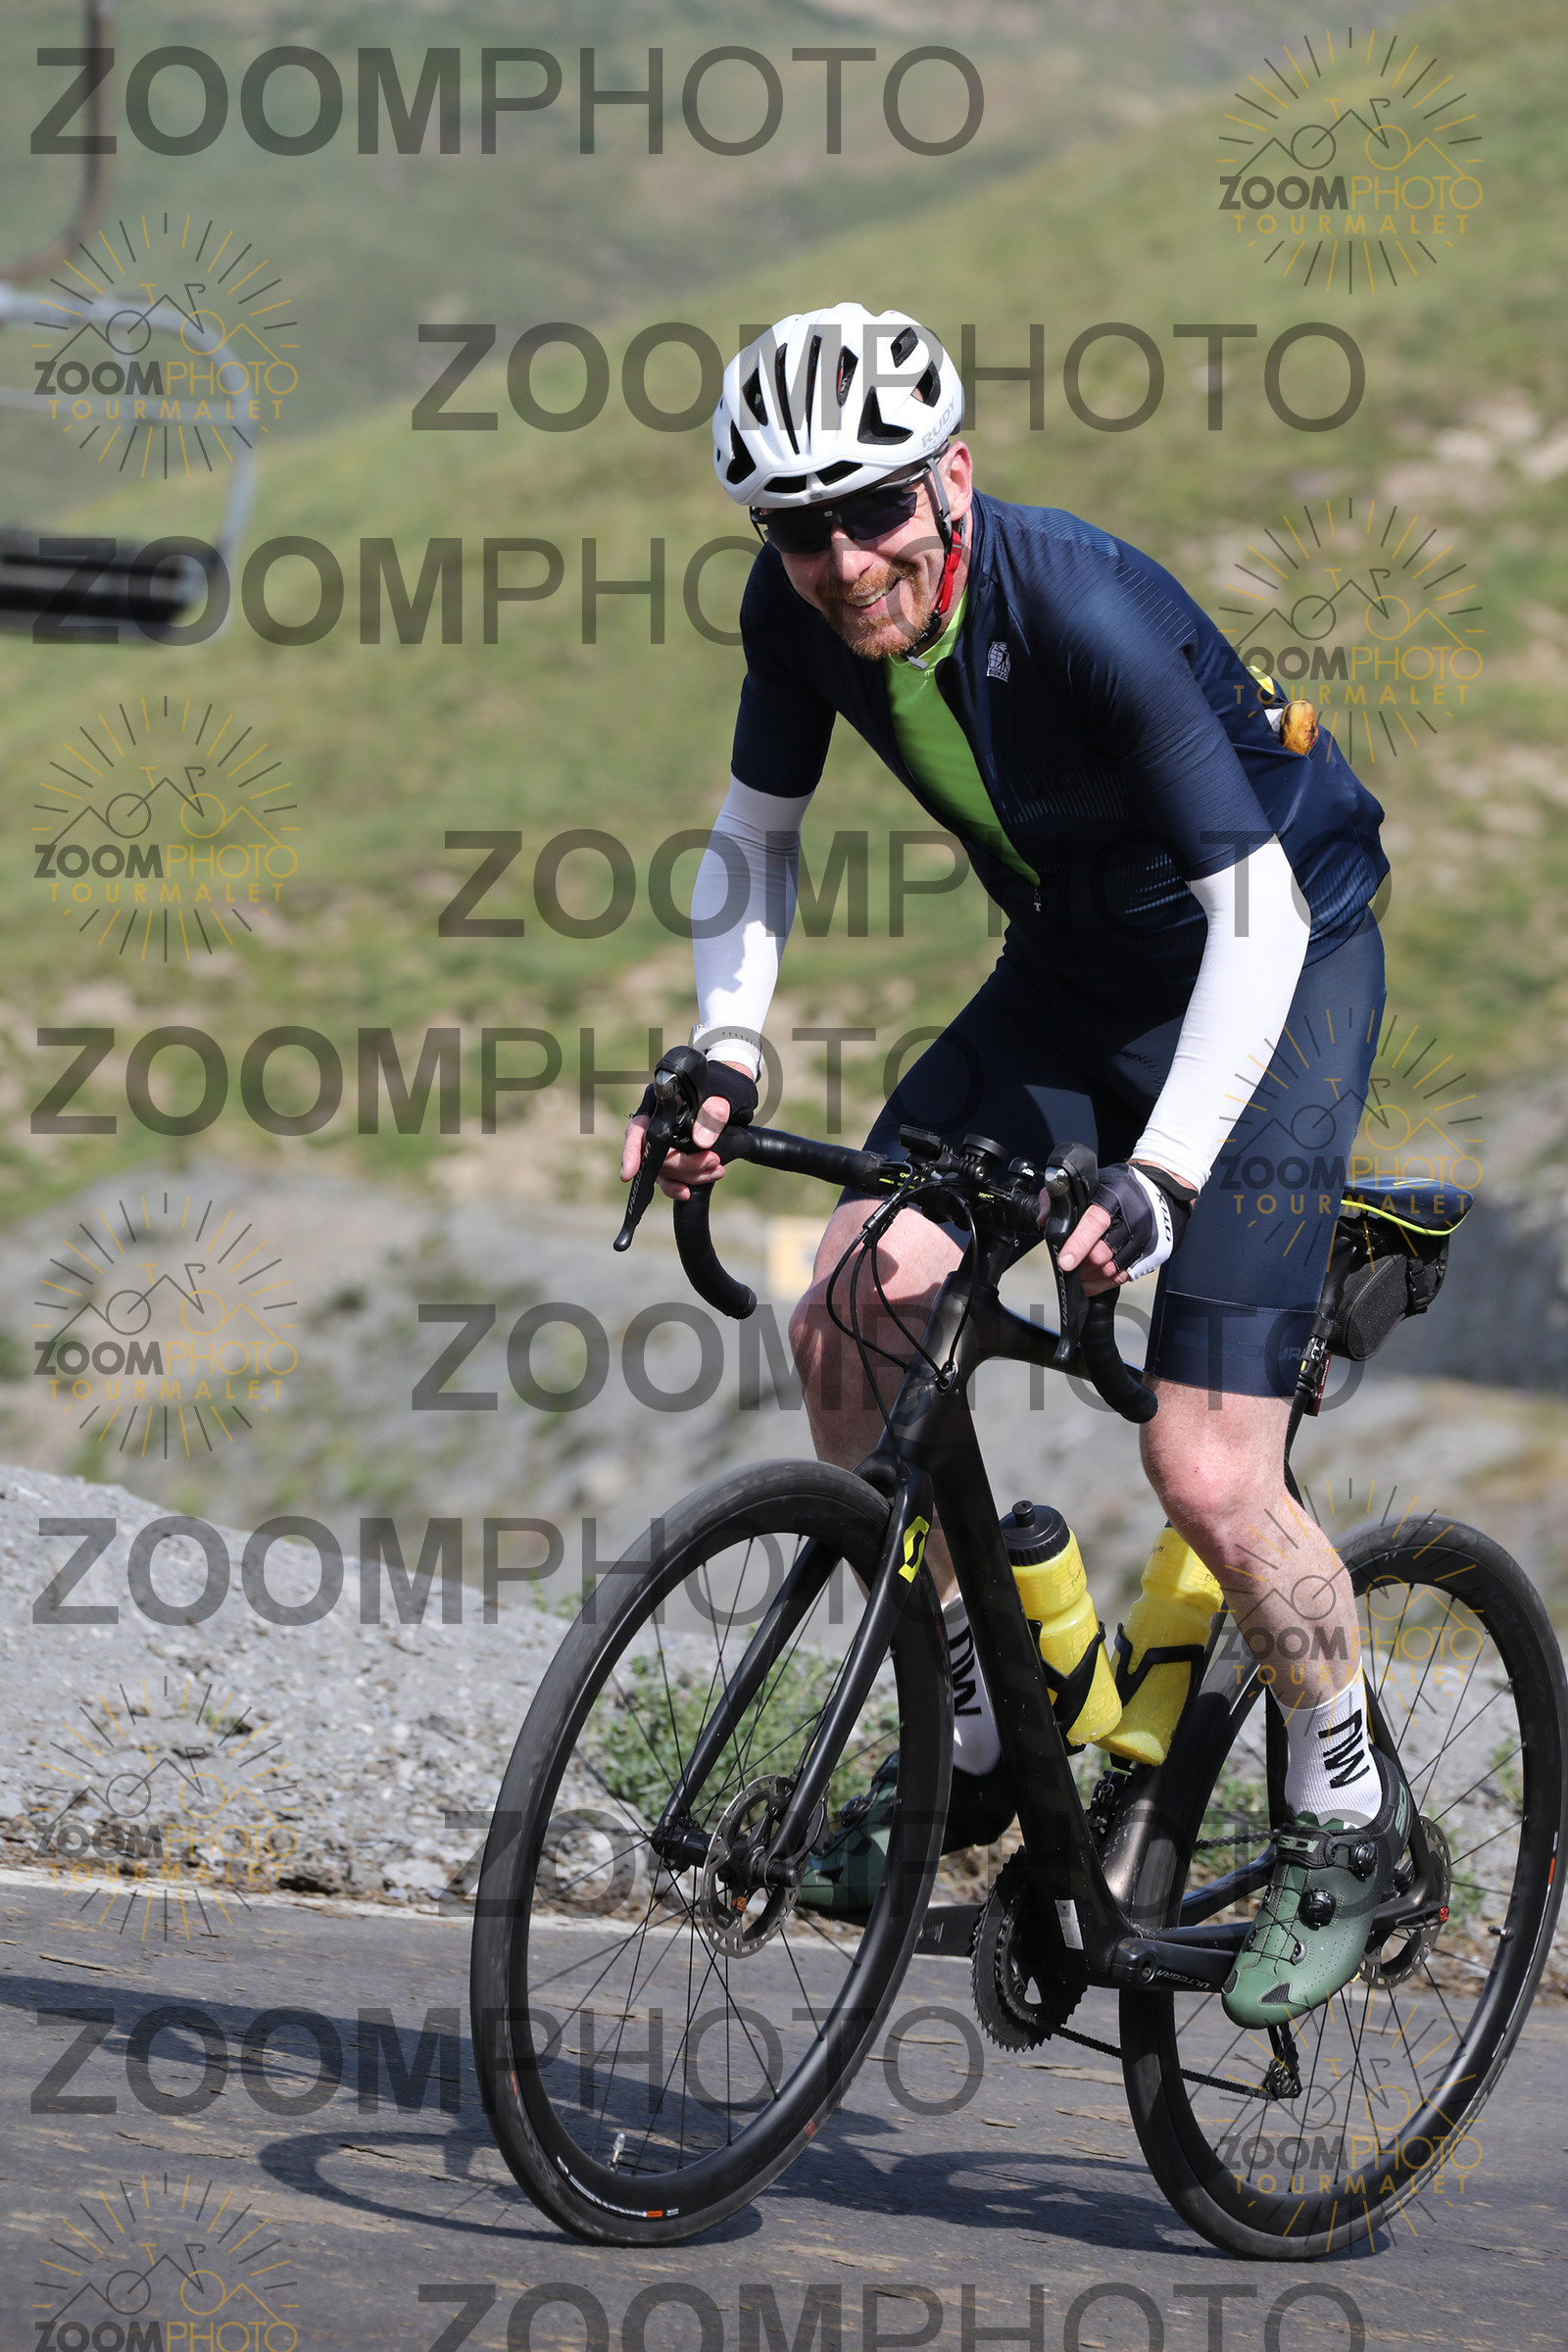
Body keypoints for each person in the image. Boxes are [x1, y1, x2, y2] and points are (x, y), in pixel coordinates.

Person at [620, 303, 1403, 2026]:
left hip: (1277, 967)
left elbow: (1259, 925)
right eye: (798, 526)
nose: (842, 559)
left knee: (1206, 1465)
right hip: (1071, 974)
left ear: (952, 481)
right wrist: (725, 1051)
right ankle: (974, 1735)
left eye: (873, 509)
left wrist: (1163, 1177)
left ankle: (1350, 1808)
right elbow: (752, 841)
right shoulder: (795, 609)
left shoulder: (1081, 610)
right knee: (850, 1310)